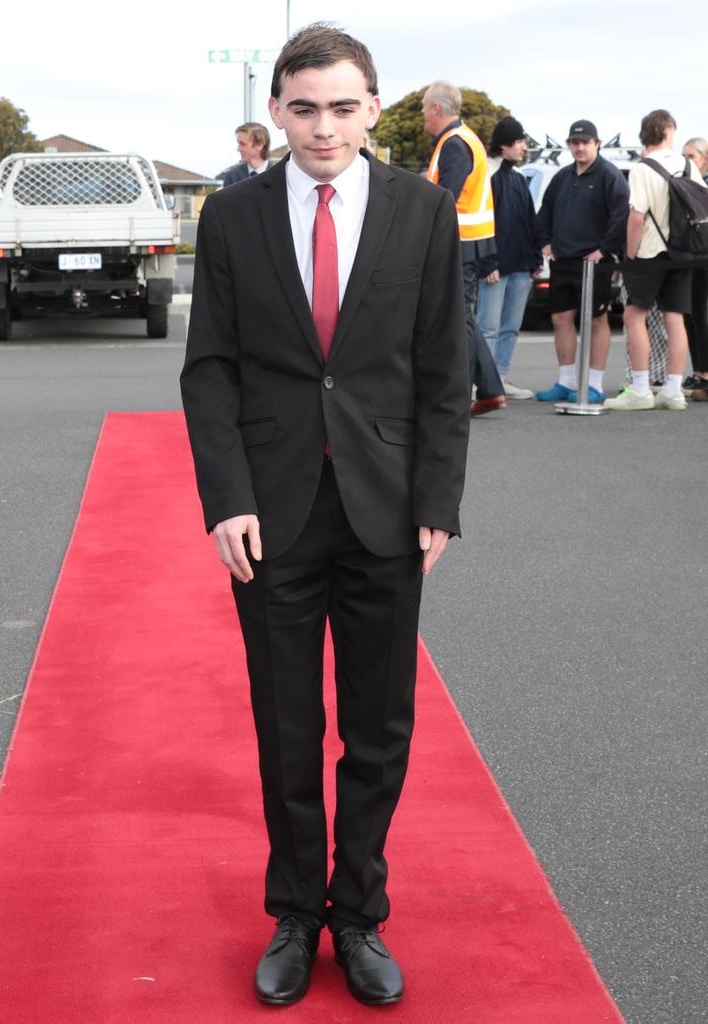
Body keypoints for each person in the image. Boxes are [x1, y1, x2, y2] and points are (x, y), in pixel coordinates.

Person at [180, 23, 469, 1008]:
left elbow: (442, 369)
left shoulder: (424, 212)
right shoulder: (231, 218)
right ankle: (296, 911)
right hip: (275, 512)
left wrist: (438, 500)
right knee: (287, 722)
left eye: (343, 107)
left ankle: (360, 913)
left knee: (380, 726)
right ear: (276, 111)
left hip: (388, 509)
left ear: (373, 107)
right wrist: (226, 499)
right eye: (303, 108)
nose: (323, 127)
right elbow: (210, 369)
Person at [605, 110, 707, 411]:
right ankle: (673, 391)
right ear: (668, 131)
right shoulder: (688, 164)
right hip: (683, 251)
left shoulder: (643, 168)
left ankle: (640, 388)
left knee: (634, 316)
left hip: (650, 252)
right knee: (674, 317)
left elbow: (636, 216)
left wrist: (631, 254)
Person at [422, 81, 506, 416]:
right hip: (470, 240)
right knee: (464, 317)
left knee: (459, 318)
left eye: (425, 108)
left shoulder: (454, 143)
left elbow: (444, 196)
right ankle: (488, 389)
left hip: (460, 241)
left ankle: (468, 391)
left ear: (437, 109)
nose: (423, 115)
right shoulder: (463, 138)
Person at [534, 119, 629, 403]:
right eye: (575, 143)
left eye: (585, 142)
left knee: (596, 320)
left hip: (594, 263)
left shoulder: (609, 175)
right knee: (560, 318)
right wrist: (546, 242)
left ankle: (595, 384)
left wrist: (605, 250)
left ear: (597, 144)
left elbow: (621, 214)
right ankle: (565, 381)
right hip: (563, 261)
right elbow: (545, 211)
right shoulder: (562, 176)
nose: (579, 147)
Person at [476, 116, 543, 399]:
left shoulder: (518, 179)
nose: (523, 147)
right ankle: (482, 383)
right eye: (519, 142)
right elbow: (483, 222)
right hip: (496, 267)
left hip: (521, 267)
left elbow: (530, 221)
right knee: (487, 328)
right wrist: (488, 261)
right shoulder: (489, 178)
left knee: (510, 328)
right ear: (504, 146)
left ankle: (500, 378)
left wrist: (536, 258)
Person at [681, 137, 708, 400]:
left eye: (692, 157)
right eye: (684, 157)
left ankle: (704, 373)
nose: (687, 162)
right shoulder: (688, 186)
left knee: (702, 314)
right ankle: (699, 371)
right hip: (691, 257)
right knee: (691, 315)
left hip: (704, 258)